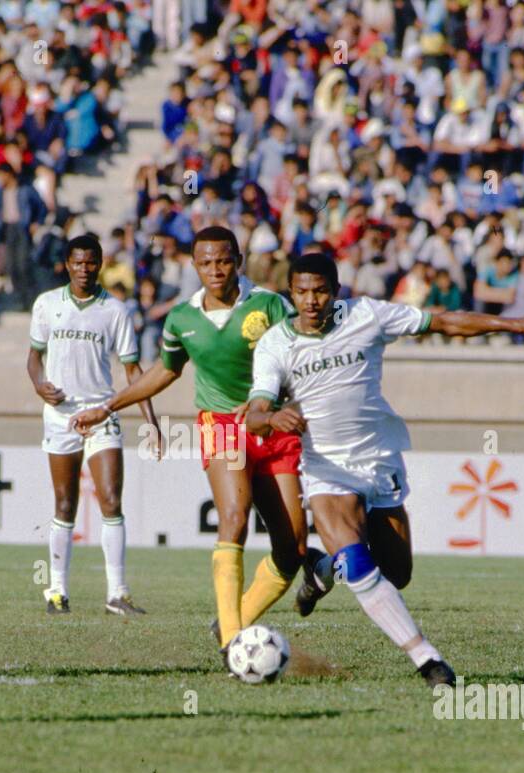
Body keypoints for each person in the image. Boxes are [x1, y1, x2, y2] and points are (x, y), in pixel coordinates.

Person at [241, 252, 524, 688]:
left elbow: (445, 322)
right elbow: (255, 413)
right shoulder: (276, 344)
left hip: (380, 459)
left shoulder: (368, 315)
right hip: (327, 468)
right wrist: (272, 419)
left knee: (396, 575)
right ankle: (428, 661)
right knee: (357, 564)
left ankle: (321, 571)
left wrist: (519, 325)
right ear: (291, 293)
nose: (311, 300)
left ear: (336, 291)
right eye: (301, 292)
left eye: (319, 290)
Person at [71, 226, 330, 654]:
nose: (216, 270)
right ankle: (233, 644)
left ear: (238, 261)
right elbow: (165, 370)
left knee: (292, 547)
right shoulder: (182, 318)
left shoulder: (269, 305)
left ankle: (233, 622)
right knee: (234, 516)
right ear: (194, 265)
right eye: (206, 262)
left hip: (273, 426)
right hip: (223, 425)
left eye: (224, 260)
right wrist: (109, 406)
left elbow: (304, 358)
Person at [27, 235, 157, 616]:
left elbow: (133, 370)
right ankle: (56, 590)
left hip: (102, 414)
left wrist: (151, 420)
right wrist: (38, 384)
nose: (84, 269)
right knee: (65, 503)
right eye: (77, 263)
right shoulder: (47, 304)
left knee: (111, 500)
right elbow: (34, 357)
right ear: (67, 264)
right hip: (61, 415)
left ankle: (117, 593)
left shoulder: (115, 310)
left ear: (100, 264)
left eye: (91, 263)